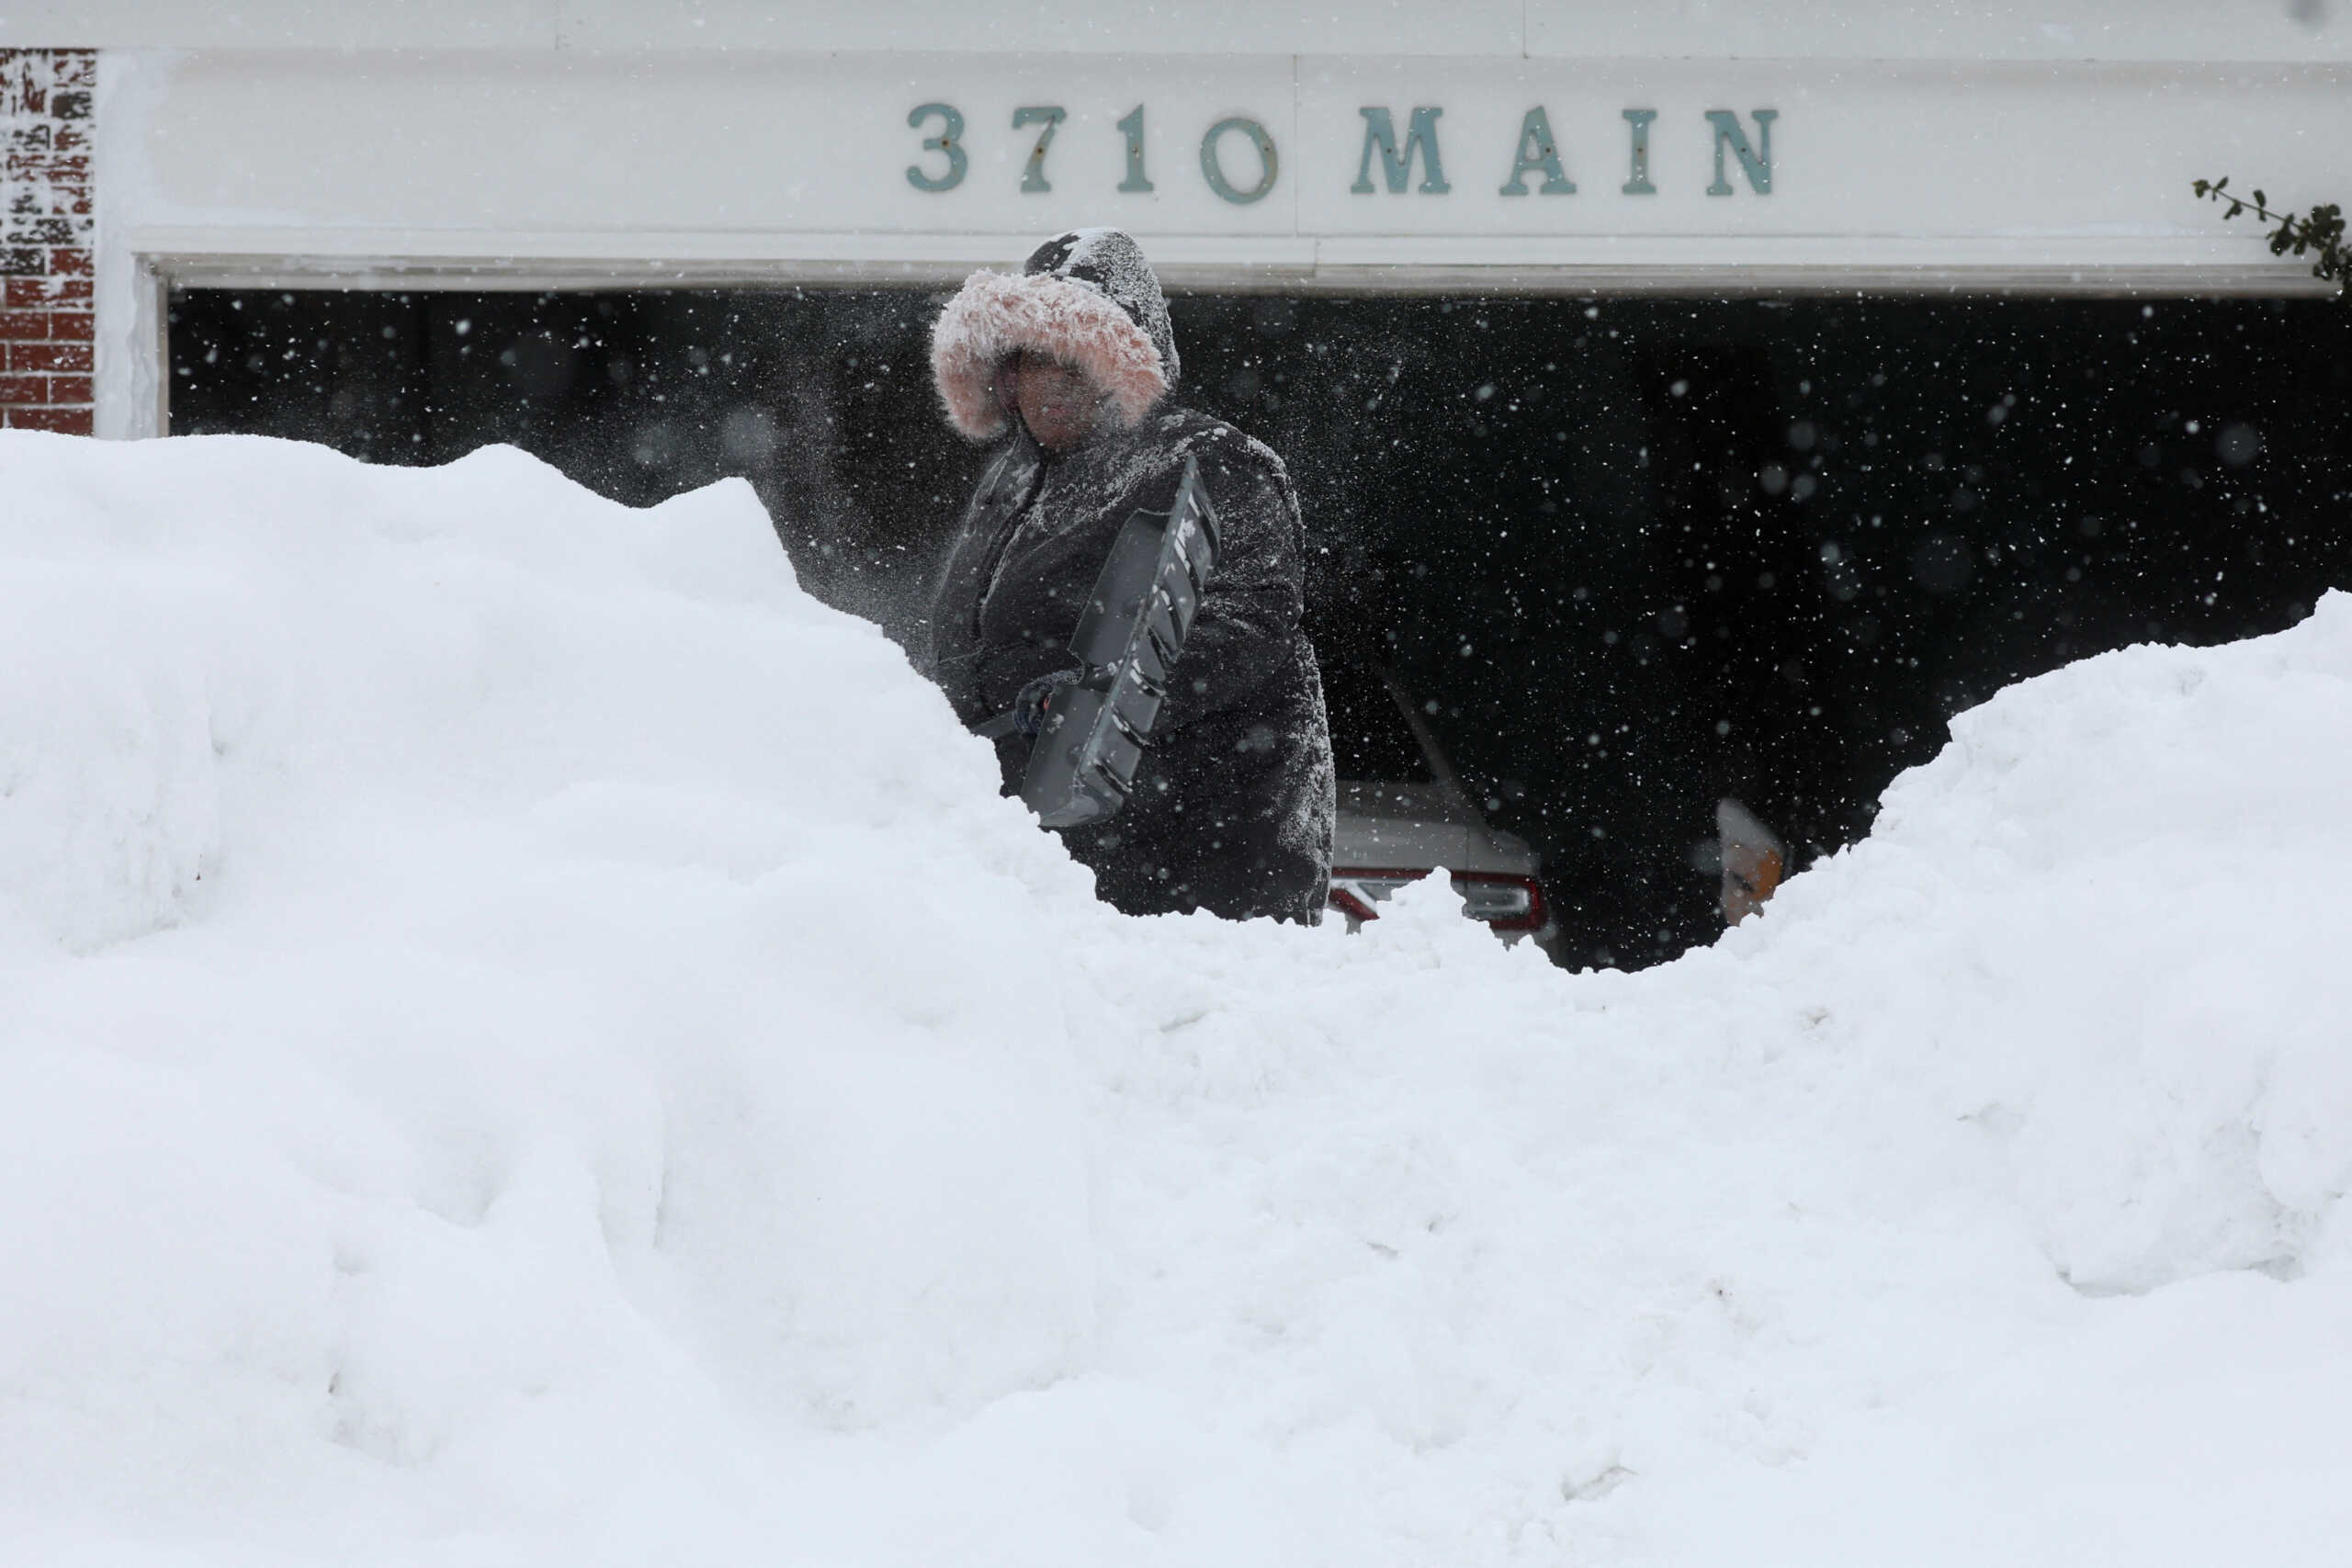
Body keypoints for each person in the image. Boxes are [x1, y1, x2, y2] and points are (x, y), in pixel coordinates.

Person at [922, 228, 1334, 923]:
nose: (1049, 381)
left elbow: (1249, 626)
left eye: (1072, 359)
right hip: (1045, 862)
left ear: (1124, 363)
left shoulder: (1211, 461)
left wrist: (1095, 699)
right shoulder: (1013, 479)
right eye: (1029, 359)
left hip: (1195, 874)